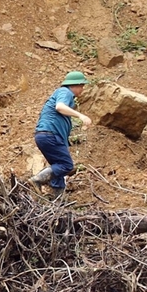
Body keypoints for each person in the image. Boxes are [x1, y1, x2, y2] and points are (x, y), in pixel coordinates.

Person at [31, 70, 92, 199]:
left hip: (44, 136)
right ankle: (37, 180)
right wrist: (80, 115)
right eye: (81, 86)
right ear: (74, 85)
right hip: (50, 135)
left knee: (58, 169)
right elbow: (60, 107)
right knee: (66, 165)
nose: (82, 89)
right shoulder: (65, 92)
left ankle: (58, 202)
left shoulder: (62, 94)